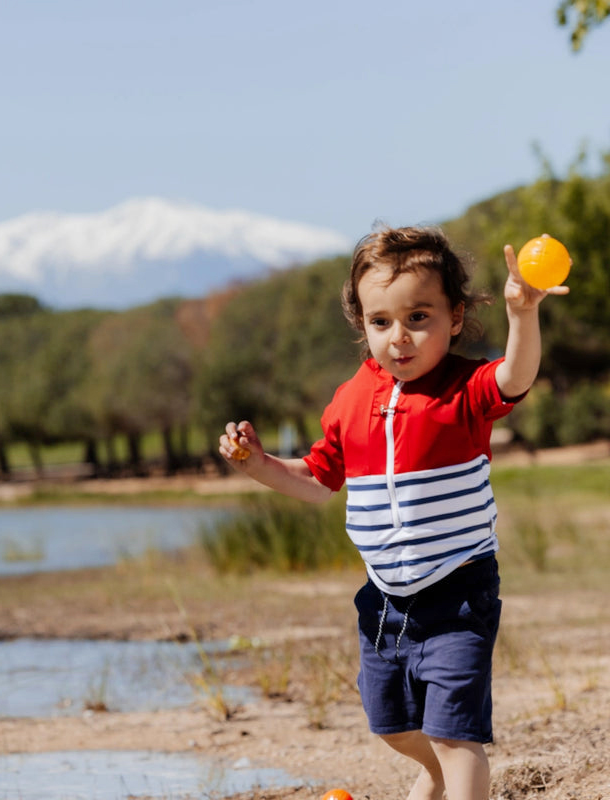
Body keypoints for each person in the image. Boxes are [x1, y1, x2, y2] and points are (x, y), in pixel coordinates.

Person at [219, 226, 568, 800]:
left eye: (418, 317)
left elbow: (516, 376)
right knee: (393, 725)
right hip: (384, 601)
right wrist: (258, 465)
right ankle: (435, 775)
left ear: (455, 317)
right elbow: (318, 480)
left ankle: (452, 773)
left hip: (458, 592)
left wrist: (522, 313)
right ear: (362, 324)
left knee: (455, 734)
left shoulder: (465, 388)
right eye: (381, 321)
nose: (399, 337)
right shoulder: (352, 399)